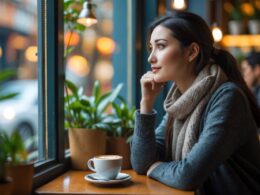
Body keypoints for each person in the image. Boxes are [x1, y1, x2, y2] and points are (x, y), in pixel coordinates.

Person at [131, 11, 260, 195]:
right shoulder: (181, 101)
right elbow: (142, 162)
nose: (150, 58)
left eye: (160, 46)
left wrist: (155, 168)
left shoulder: (228, 98)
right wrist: (146, 104)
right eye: (150, 48)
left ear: (191, 52)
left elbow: (188, 176)